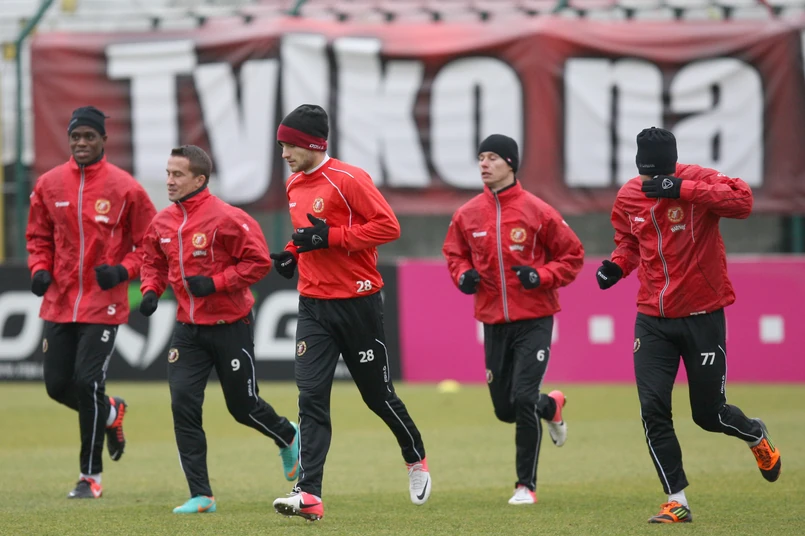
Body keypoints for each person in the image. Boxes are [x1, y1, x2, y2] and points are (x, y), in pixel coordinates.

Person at [596, 127, 782, 523]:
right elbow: (629, 242)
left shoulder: (698, 180)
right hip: (652, 320)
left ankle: (754, 433)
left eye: (658, 173)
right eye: (647, 173)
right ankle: (676, 500)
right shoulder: (629, 195)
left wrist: (681, 188)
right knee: (653, 409)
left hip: (702, 317)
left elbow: (743, 202)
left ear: (671, 163)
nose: (652, 180)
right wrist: (616, 266)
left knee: (708, 414)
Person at [270, 104, 429, 521]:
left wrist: (332, 237)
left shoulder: (349, 179)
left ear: (312, 144)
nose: (284, 153)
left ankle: (415, 457)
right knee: (311, 398)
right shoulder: (293, 184)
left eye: (289, 145)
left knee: (378, 397)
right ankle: (309, 493)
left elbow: (388, 227)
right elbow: (307, 234)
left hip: (358, 304)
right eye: (281, 145)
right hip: (313, 305)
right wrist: (291, 253)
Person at [139, 145, 299, 514]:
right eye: (168, 173)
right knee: (183, 404)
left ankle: (288, 435)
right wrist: (150, 291)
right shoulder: (161, 222)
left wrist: (215, 283)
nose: (169, 181)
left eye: (177, 175)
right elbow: (153, 262)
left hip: (231, 326)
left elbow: (258, 262)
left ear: (199, 179)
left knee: (243, 408)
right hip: (187, 330)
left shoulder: (228, 218)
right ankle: (202, 495)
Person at [442, 134, 584, 505]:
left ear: (510, 163)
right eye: (481, 157)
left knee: (522, 398)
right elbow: (454, 255)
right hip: (493, 321)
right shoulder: (467, 214)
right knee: (506, 410)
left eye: (492, 157)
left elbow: (572, 256)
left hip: (535, 319)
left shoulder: (539, 211)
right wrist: (463, 275)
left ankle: (525, 486)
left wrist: (542, 276)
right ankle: (550, 406)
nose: (484, 164)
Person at [26, 106, 157, 499]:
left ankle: (90, 477)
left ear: (103, 140)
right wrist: (39, 269)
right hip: (60, 300)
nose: (81, 143)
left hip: (104, 304)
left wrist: (122, 271)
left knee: (87, 382)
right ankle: (112, 411)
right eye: (75, 137)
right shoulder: (49, 184)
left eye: (89, 136)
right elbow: (38, 238)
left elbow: (150, 246)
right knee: (56, 386)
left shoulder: (126, 188)